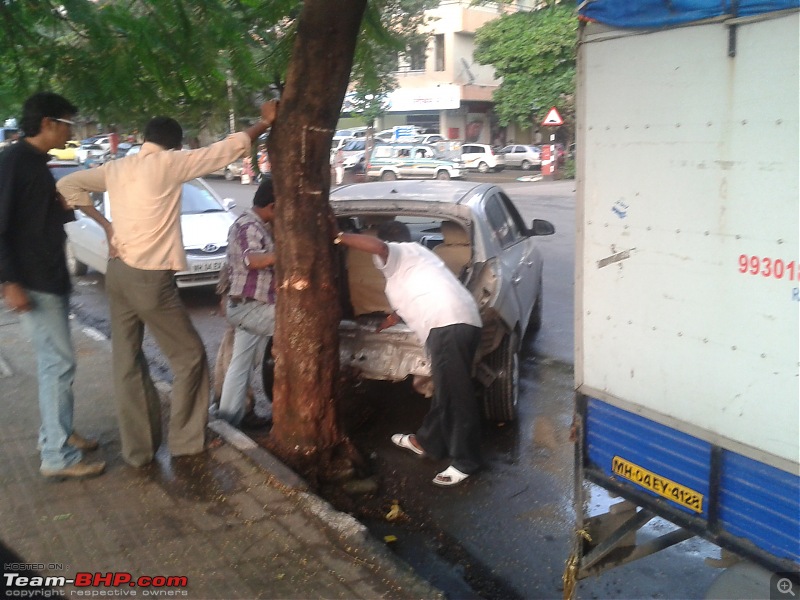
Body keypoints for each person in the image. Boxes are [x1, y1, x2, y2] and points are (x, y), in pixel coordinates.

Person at [56, 101, 279, 468]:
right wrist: (264, 123)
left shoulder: (119, 166)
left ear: (145, 139)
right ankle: (187, 442)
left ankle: (139, 452)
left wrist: (107, 226)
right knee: (190, 357)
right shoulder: (169, 164)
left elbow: (68, 184)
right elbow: (223, 150)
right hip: (149, 278)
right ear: (174, 146)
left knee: (127, 362)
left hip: (119, 273)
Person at [0, 92, 105, 479]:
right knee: (58, 365)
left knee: (55, 364)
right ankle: (57, 455)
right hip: (33, 281)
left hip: (48, 276)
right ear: (47, 123)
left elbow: (33, 219)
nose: (70, 132)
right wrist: (8, 281)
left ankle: (57, 433)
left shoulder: (35, 163)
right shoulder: (14, 162)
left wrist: (61, 209)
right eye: (68, 124)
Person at [334, 221, 483, 486]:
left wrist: (336, 236)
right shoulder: (419, 258)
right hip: (457, 321)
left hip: (447, 324)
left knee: (456, 396)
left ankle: (466, 461)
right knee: (446, 391)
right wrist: (386, 323)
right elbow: (407, 303)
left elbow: (378, 246)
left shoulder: (397, 252)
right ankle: (426, 441)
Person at [214, 177, 277, 428]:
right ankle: (230, 419)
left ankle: (228, 420)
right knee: (298, 324)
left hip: (251, 304)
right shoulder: (248, 226)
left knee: (239, 366)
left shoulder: (259, 225)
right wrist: (285, 254)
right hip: (250, 307)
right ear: (272, 206)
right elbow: (252, 260)